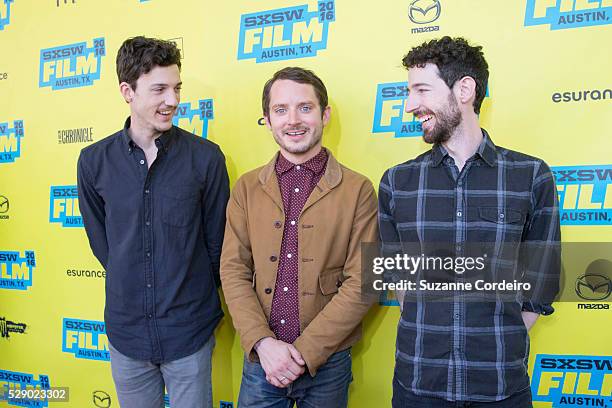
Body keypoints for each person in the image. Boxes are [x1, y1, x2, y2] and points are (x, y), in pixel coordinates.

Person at [378, 36, 560, 407]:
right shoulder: (397, 181)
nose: (410, 105)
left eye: (421, 90)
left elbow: (542, 277)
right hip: (418, 384)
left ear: (464, 89)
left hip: (500, 387)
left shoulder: (530, 175)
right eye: (409, 92)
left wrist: (500, 336)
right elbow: (397, 276)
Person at [77, 36, 229, 408]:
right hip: (126, 335)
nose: (173, 100)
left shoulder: (206, 159)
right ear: (127, 91)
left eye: (176, 88)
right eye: (159, 89)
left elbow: (217, 245)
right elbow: (104, 244)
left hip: (189, 332)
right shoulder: (93, 162)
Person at [220, 67, 378, 408]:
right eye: (281, 110)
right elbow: (233, 271)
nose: (293, 120)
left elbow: (364, 282)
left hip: (329, 364)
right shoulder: (246, 189)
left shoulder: (358, 190)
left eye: (305, 108)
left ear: (325, 115)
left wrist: (304, 353)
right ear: (267, 119)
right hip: (261, 362)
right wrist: (263, 344)